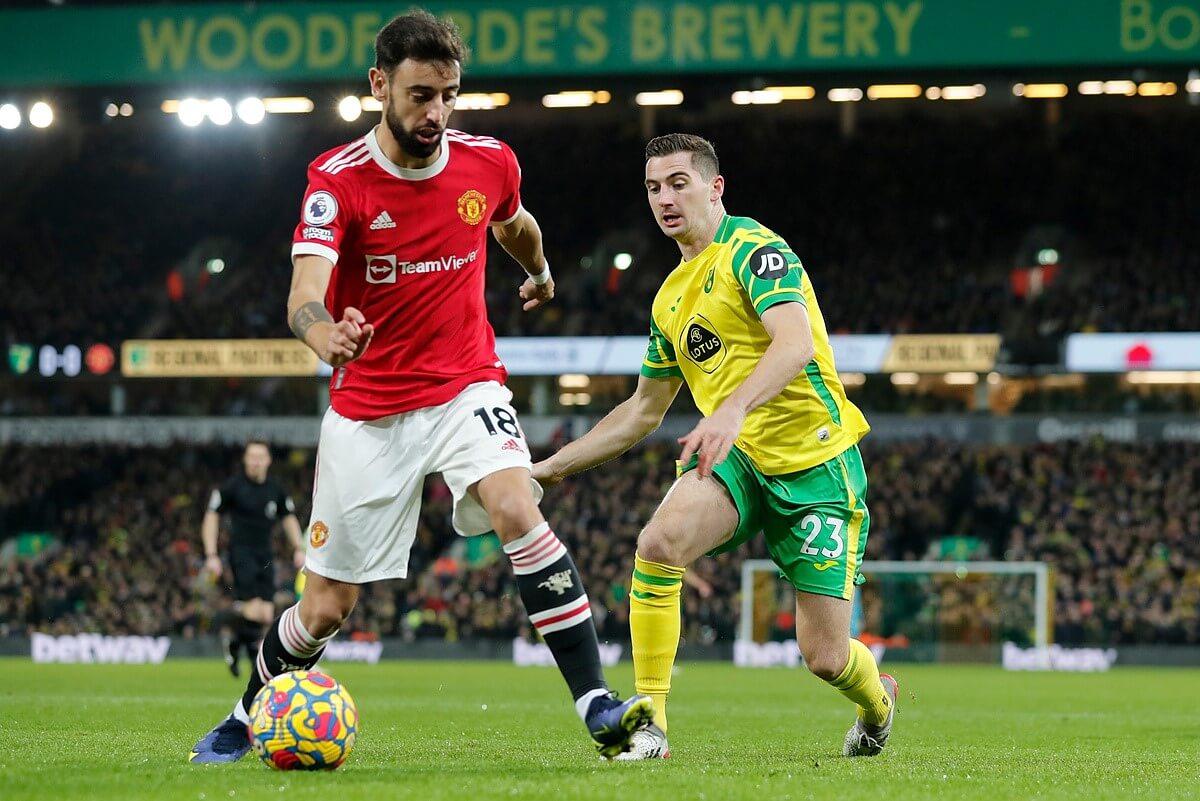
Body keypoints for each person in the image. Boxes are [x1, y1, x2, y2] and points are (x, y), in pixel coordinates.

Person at [189, 10, 651, 763]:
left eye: (448, 95)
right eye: (420, 95)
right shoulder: (336, 182)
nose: (436, 112)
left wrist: (537, 272)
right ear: (379, 85)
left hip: (467, 383)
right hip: (369, 410)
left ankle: (597, 701)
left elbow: (516, 223)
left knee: (515, 500)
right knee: (326, 608)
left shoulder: (489, 161)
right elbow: (304, 291)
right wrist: (322, 334)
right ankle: (245, 718)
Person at [533, 133, 898, 760]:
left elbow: (794, 343)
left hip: (816, 465)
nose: (666, 199)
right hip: (738, 460)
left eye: (679, 183)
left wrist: (731, 407)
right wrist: (552, 468)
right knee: (658, 543)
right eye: (653, 188)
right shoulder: (669, 298)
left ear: (714, 187)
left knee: (826, 657)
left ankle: (878, 703)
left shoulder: (755, 251)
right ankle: (650, 726)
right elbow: (643, 410)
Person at [202, 439, 305, 677]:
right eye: (252, 457)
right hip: (241, 553)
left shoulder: (275, 489)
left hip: (265, 554)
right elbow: (211, 516)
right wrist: (211, 553)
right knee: (254, 611)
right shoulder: (233, 487)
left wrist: (298, 547)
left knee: (267, 614)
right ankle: (247, 650)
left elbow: (288, 518)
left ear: (268, 460)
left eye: (261, 457)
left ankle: (237, 645)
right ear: (245, 460)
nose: (257, 462)